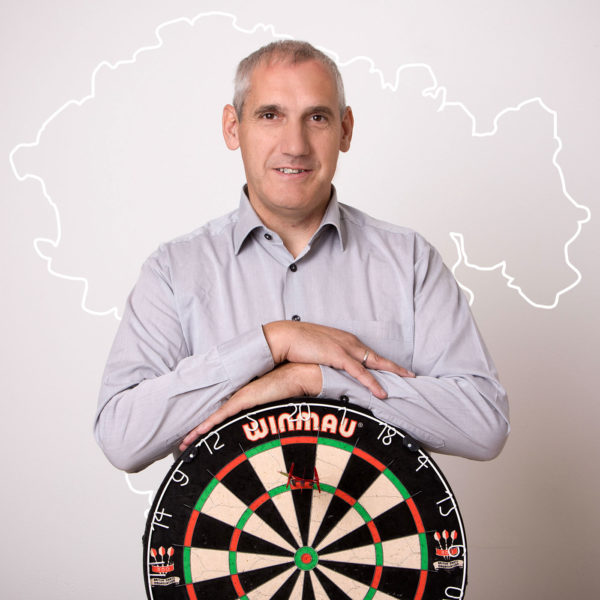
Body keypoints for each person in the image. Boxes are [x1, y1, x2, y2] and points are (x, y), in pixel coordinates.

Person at [95, 40, 509, 473]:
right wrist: (272, 342)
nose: (295, 145)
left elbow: (484, 424)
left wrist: (314, 379)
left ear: (345, 130)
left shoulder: (409, 261)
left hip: (373, 517)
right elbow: (121, 439)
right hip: (230, 517)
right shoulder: (174, 271)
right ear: (233, 128)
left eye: (317, 118)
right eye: (270, 115)